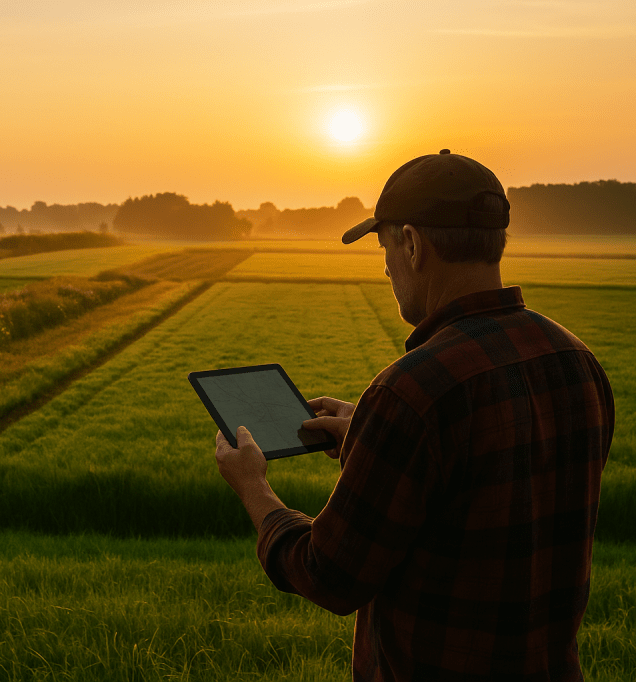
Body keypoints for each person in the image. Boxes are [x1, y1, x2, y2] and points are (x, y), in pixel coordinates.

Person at [213, 150, 615, 681]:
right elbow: (490, 488)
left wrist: (253, 487)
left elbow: (329, 573)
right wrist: (367, 431)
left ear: (413, 244)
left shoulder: (412, 393)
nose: (385, 266)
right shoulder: (576, 360)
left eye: (384, 247)